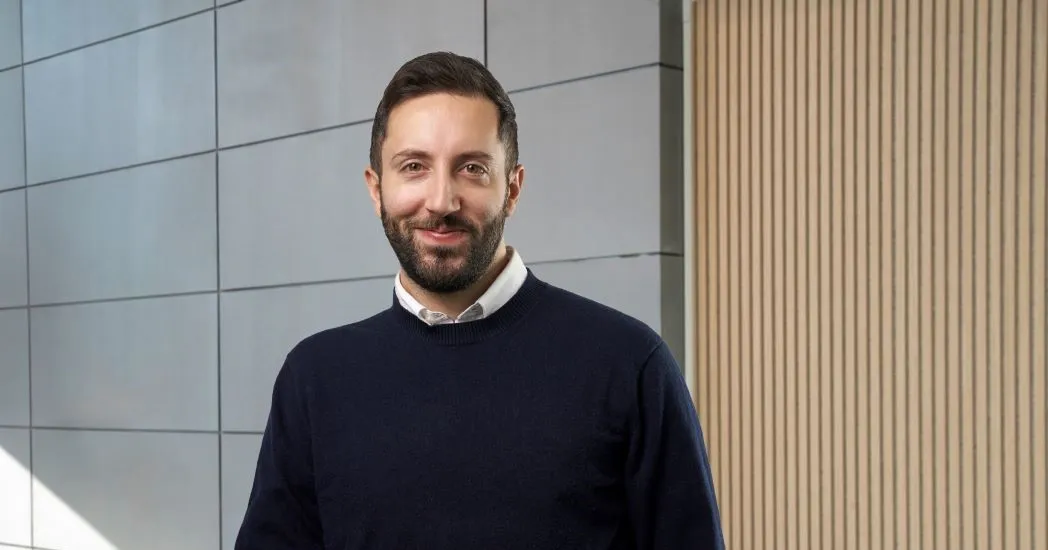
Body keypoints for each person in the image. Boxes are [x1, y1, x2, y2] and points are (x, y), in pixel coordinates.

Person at [234, 51, 724, 550]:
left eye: (471, 168)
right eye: (413, 167)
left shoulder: (629, 364)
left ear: (512, 189)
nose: (442, 201)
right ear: (376, 189)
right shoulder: (314, 379)